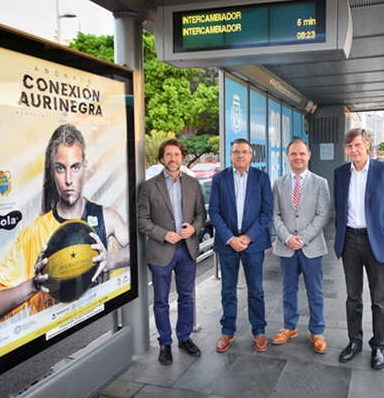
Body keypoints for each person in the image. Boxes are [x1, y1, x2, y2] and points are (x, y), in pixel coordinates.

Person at [0, 123, 130, 325]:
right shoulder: (34, 233)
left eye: (75, 167)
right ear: (52, 171)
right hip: (57, 346)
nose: (69, 179)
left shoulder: (106, 216)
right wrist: (34, 285)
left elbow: (139, 248)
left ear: (85, 167)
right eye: (60, 168)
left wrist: (110, 260)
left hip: (97, 330)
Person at [333, 128, 384, 370]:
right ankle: (354, 342)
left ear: (367, 146)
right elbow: (340, 209)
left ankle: (378, 346)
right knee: (353, 296)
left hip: (376, 241)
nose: (354, 150)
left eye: (357, 145)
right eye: (349, 146)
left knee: (379, 298)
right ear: (346, 149)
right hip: (350, 240)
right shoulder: (340, 174)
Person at [138, 139, 206, 365]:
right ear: (161, 158)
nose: (173, 159)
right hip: (161, 251)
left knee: (186, 298)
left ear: (182, 157)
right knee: (160, 301)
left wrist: (194, 228)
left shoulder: (193, 184)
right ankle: (165, 343)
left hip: (187, 251)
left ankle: (184, 337)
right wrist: (163, 234)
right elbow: (142, 220)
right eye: (168, 155)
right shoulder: (149, 187)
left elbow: (200, 214)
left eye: (177, 154)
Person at [209, 138, 273, 353]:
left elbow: (267, 212)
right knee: (228, 290)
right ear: (230, 154)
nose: (241, 155)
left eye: (245, 152)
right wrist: (230, 238)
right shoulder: (219, 179)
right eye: (236, 152)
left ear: (251, 155)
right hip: (227, 245)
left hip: (253, 245)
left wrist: (247, 237)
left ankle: (259, 331)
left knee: (256, 291)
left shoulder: (262, 178)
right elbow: (214, 212)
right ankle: (227, 331)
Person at [271, 139, 330, 353]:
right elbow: (274, 214)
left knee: (315, 291)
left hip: (311, 246)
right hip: (286, 247)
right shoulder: (278, 183)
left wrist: (302, 238)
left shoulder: (320, 183)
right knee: (288, 289)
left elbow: (323, 214)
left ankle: (317, 331)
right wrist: (287, 238)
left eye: (302, 154)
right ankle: (289, 326)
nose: (298, 157)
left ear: (309, 155)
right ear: (287, 156)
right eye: (293, 154)